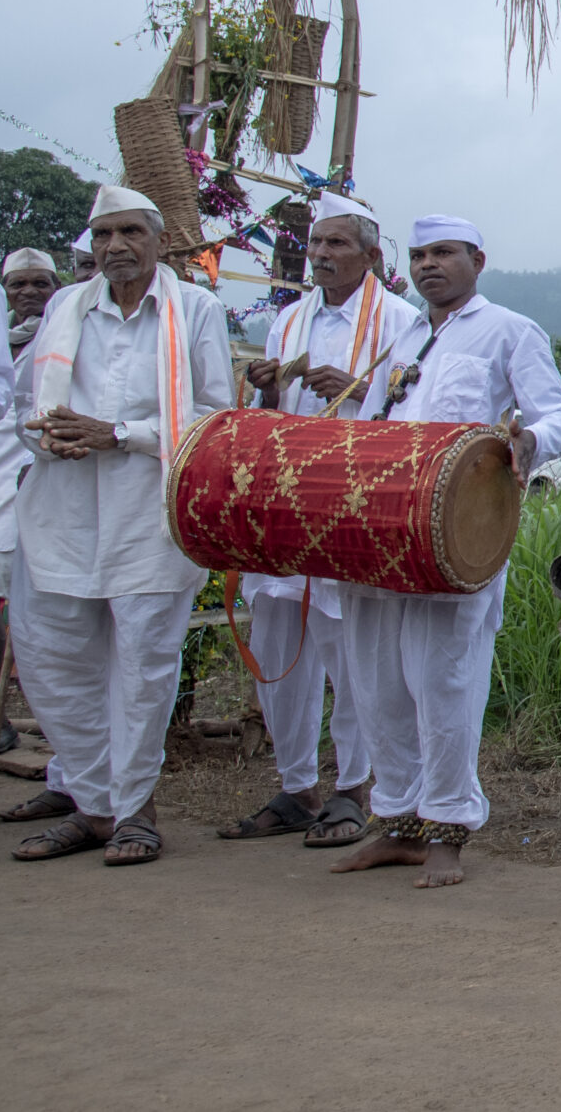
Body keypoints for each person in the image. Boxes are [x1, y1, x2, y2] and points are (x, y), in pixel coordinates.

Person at [329, 215, 561, 888]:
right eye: (417, 255)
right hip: (379, 535)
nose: (428, 264)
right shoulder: (402, 335)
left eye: (443, 252)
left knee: (443, 681)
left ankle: (446, 829)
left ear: (478, 259)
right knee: (376, 680)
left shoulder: (509, 330)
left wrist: (526, 443)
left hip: (456, 537)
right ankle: (397, 822)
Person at [5, 185, 234, 864]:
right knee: (53, 660)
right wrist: (51, 438)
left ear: (157, 239)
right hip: (63, 510)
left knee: (141, 666)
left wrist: (120, 434)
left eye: (129, 231)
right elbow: (24, 407)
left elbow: (215, 421)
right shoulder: (65, 309)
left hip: (149, 514)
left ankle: (134, 808)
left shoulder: (195, 309)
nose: (114, 246)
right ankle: (93, 803)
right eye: (102, 234)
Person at [217, 194, 422, 849]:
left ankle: (353, 786)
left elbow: (420, 416)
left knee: (351, 645)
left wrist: (364, 390)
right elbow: (272, 413)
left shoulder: (402, 320)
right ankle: (296, 783)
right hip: (285, 494)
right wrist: (269, 387)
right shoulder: (290, 319)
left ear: (371, 254)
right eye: (317, 244)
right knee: (278, 636)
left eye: (337, 244)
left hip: (352, 499)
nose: (323, 255)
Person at [0, 248, 59, 751]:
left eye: (40, 284)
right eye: (18, 285)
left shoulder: (61, 337)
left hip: (22, 478)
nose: (28, 294)